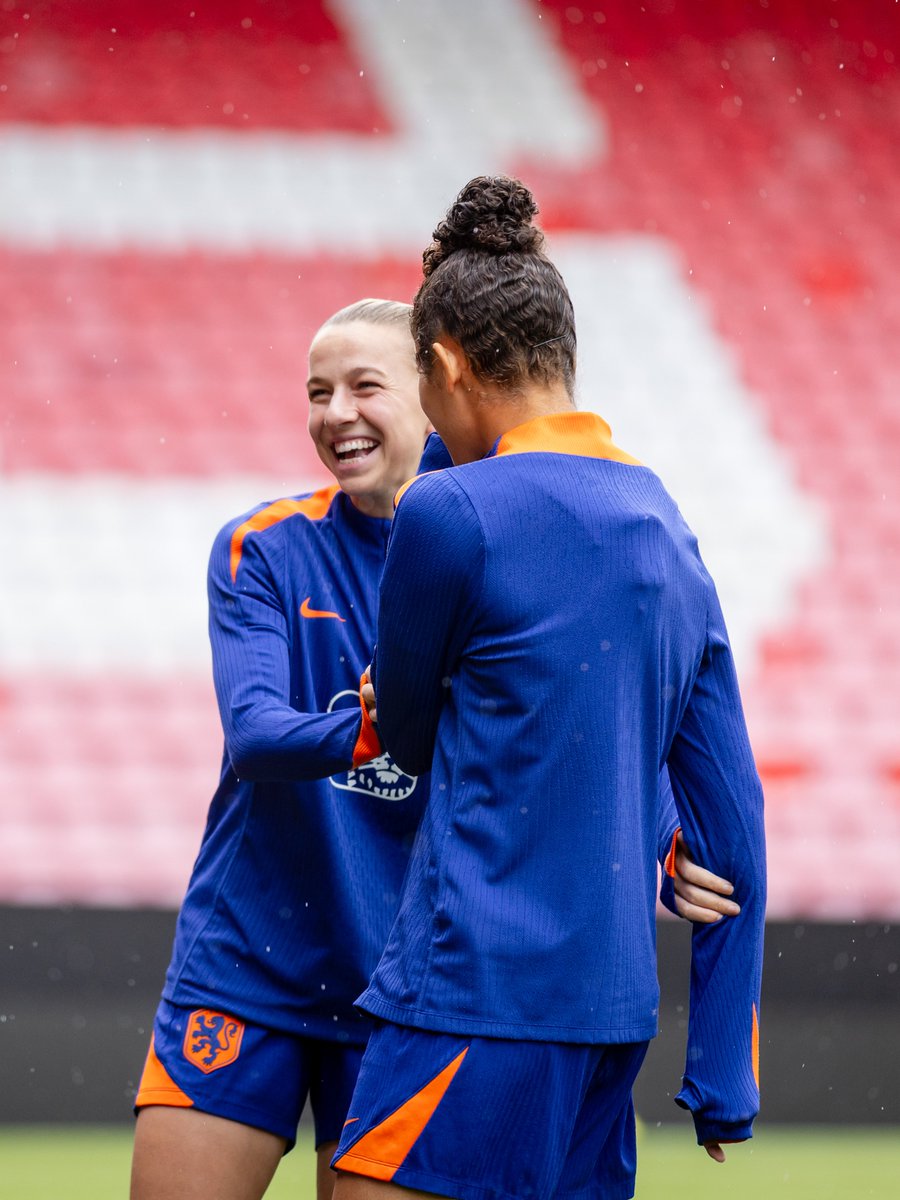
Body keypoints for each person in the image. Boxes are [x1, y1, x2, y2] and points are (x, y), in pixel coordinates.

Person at [130, 298, 739, 1200]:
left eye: (363, 386)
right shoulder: (264, 546)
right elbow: (255, 733)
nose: (335, 413)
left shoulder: (510, 549)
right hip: (248, 963)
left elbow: (574, 731)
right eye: (318, 393)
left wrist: (669, 836)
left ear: (433, 393)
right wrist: (388, 720)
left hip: (403, 984)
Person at [331, 178, 766, 1200]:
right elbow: (735, 823)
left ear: (444, 366)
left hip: (472, 994)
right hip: (610, 1022)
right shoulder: (668, 529)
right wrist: (722, 1075)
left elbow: (406, 742)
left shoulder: (445, 511)